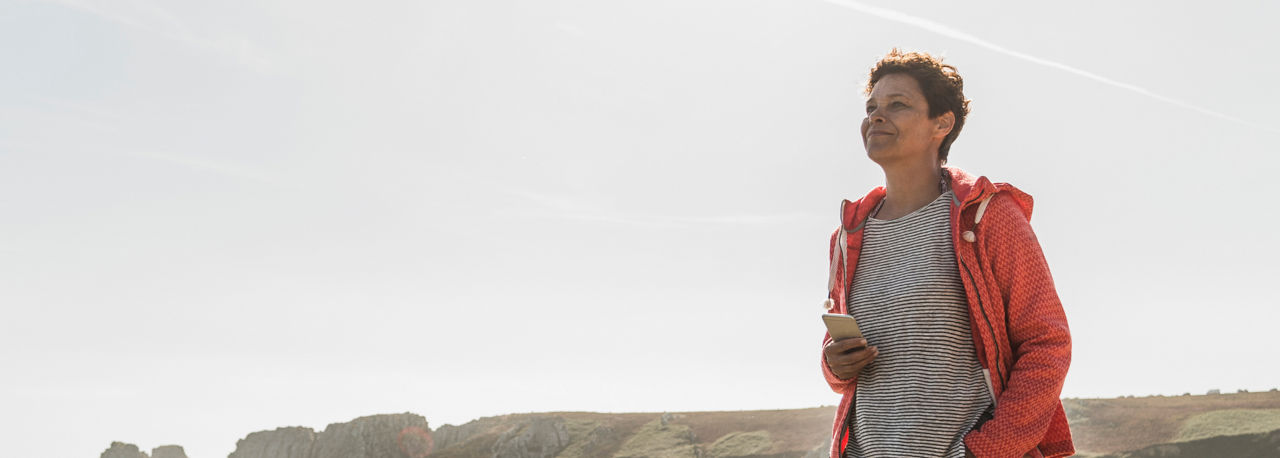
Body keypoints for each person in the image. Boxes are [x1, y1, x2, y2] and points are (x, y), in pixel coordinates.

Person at [819, 49, 1074, 458]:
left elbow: (1047, 343)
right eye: (871, 107)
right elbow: (841, 370)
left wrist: (986, 451)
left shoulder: (988, 215)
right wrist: (835, 363)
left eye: (897, 105)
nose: (876, 116)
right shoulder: (848, 236)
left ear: (943, 123)